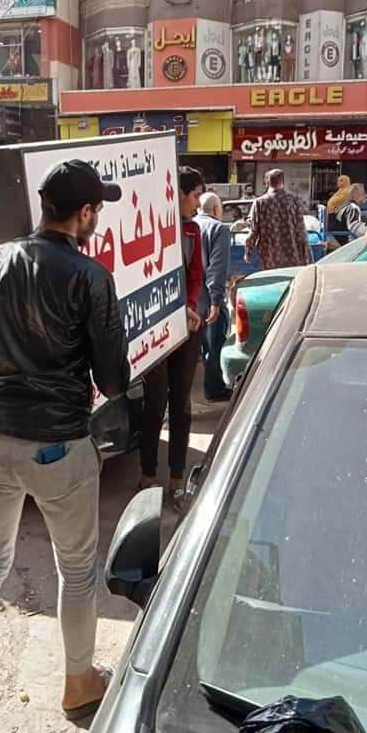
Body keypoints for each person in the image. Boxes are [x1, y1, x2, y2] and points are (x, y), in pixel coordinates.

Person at [0, 160, 130, 733]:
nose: (98, 219)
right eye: (98, 210)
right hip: (58, 446)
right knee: (77, 570)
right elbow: (113, 381)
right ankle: (78, 684)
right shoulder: (90, 276)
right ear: (84, 213)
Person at [138, 166, 204, 511]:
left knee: (181, 405)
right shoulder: (147, 226)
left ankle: (177, 481)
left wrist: (190, 306)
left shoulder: (193, 231)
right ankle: (147, 477)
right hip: (153, 331)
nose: (198, 203)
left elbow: (195, 277)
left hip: (185, 329)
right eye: (195, 196)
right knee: (154, 404)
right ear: (177, 194)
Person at [196, 192, 232, 403]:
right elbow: (216, 269)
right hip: (208, 301)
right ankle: (214, 389)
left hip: (191, 301)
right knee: (214, 346)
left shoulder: (189, 226)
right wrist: (216, 302)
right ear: (217, 209)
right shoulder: (219, 229)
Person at [244, 168, 309, 270]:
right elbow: (301, 231)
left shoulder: (260, 203)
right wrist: (305, 257)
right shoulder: (294, 201)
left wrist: (248, 251)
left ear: (267, 182)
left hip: (269, 256)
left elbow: (253, 231)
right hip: (292, 256)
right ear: (283, 182)